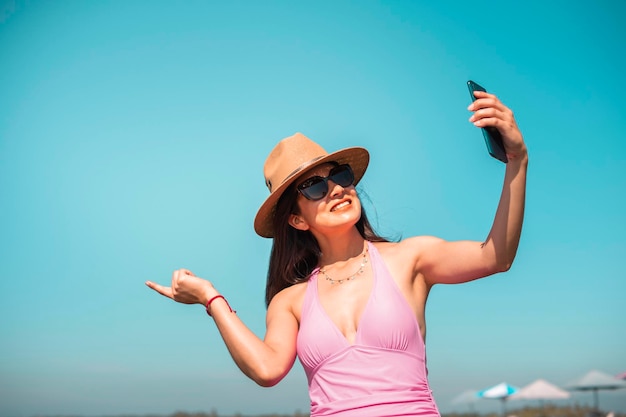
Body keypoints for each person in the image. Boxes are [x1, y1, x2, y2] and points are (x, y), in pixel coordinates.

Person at [146, 89, 528, 417]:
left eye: (340, 175)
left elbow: (496, 256)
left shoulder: (409, 259)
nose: (335, 188)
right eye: (313, 186)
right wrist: (210, 298)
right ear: (296, 219)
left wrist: (517, 160)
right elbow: (266, 369)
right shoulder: (290, 301)